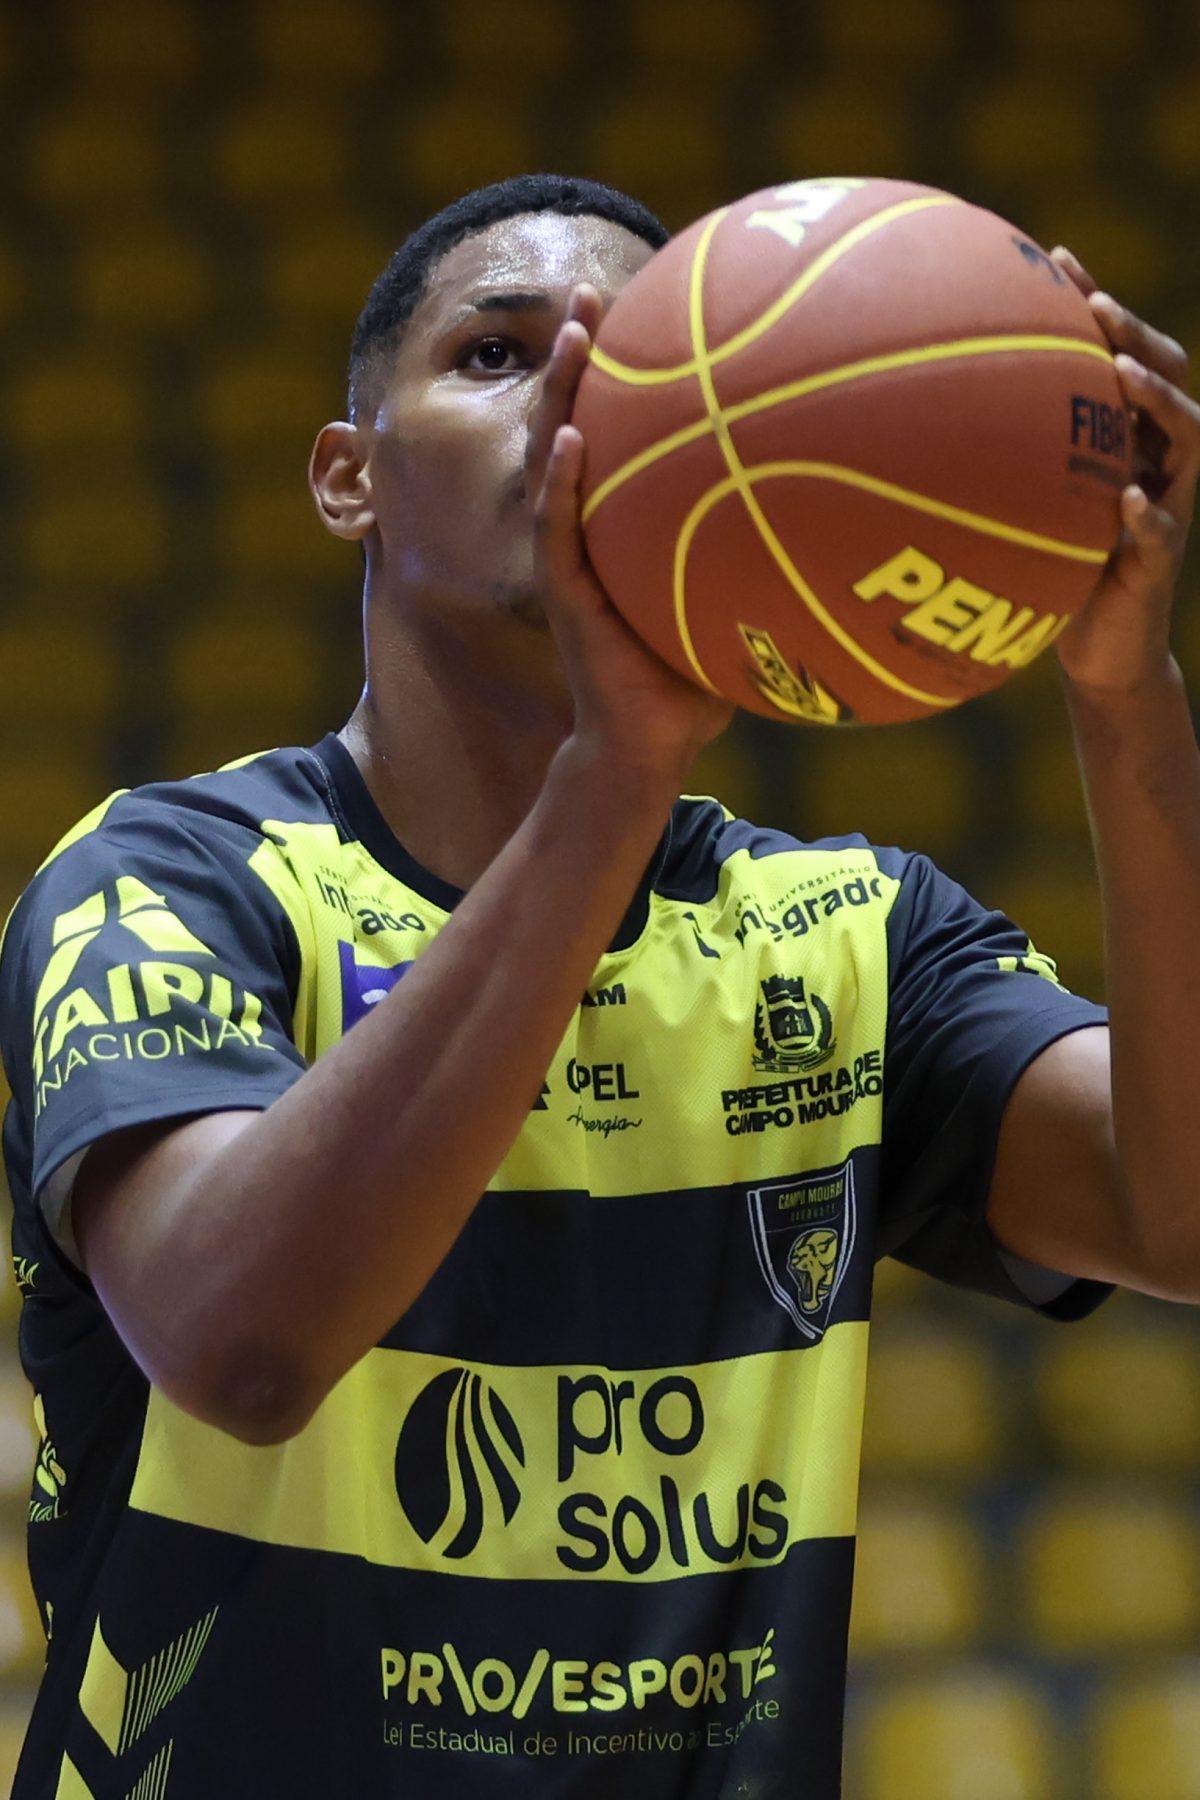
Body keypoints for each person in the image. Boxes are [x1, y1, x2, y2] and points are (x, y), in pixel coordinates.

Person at [0, 171, 1197, 1800]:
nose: (576, 402)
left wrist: (1127, 694)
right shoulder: (166, 881)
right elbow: (242, 1343)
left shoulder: (842, 936)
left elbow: (1176, 1216)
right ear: (350, 479)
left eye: (632, 366)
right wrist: (614, 777)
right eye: (498, 354)